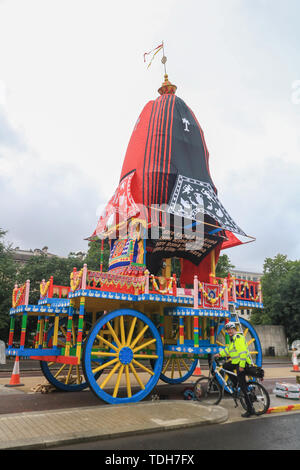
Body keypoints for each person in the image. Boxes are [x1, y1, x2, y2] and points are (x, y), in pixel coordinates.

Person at [215, 321, 254, 418]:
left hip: (242, 363)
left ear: (234, 329)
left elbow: (243, 352)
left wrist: (241, 365)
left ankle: (250, 410)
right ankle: (236, 382)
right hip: (236, 362)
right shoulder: (233, 340)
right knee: (225, 366)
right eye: (227, 330)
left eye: (230, 329)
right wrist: (220, 354)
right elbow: (229, 350)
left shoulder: (238, 338)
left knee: (243, 388)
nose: (229, 331)